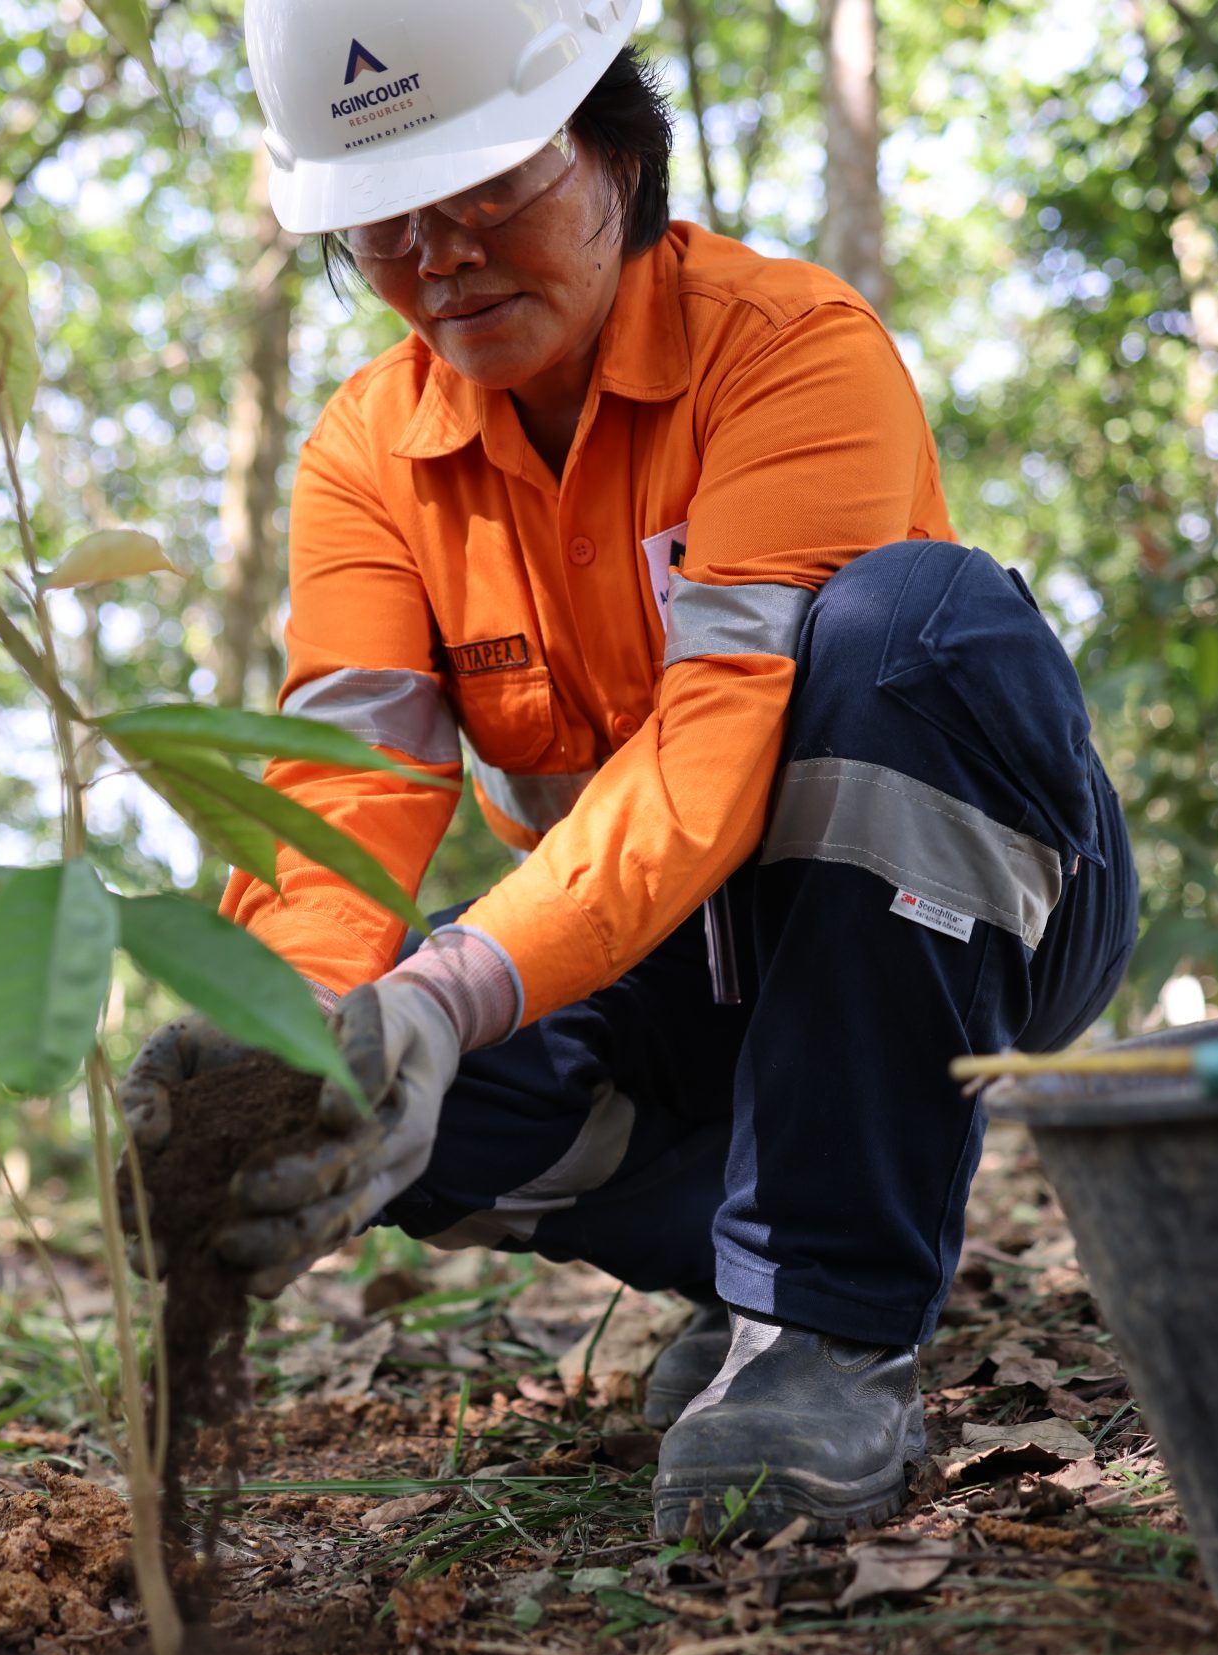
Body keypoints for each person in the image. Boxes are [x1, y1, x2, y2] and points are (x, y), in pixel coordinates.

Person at [120, 0, 1138, 1542]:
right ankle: (746, 1282)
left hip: (953, 921)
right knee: (370, 1087)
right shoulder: (368, 456)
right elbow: (344, 785)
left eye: (487, 192)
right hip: (671, 973)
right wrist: (304, 1029)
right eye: (384, 226)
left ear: (615, 151)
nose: (440, 256)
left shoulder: (790, 350)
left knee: (910, 628)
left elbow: (716, 744)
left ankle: (827, 1324)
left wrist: (450, 992)